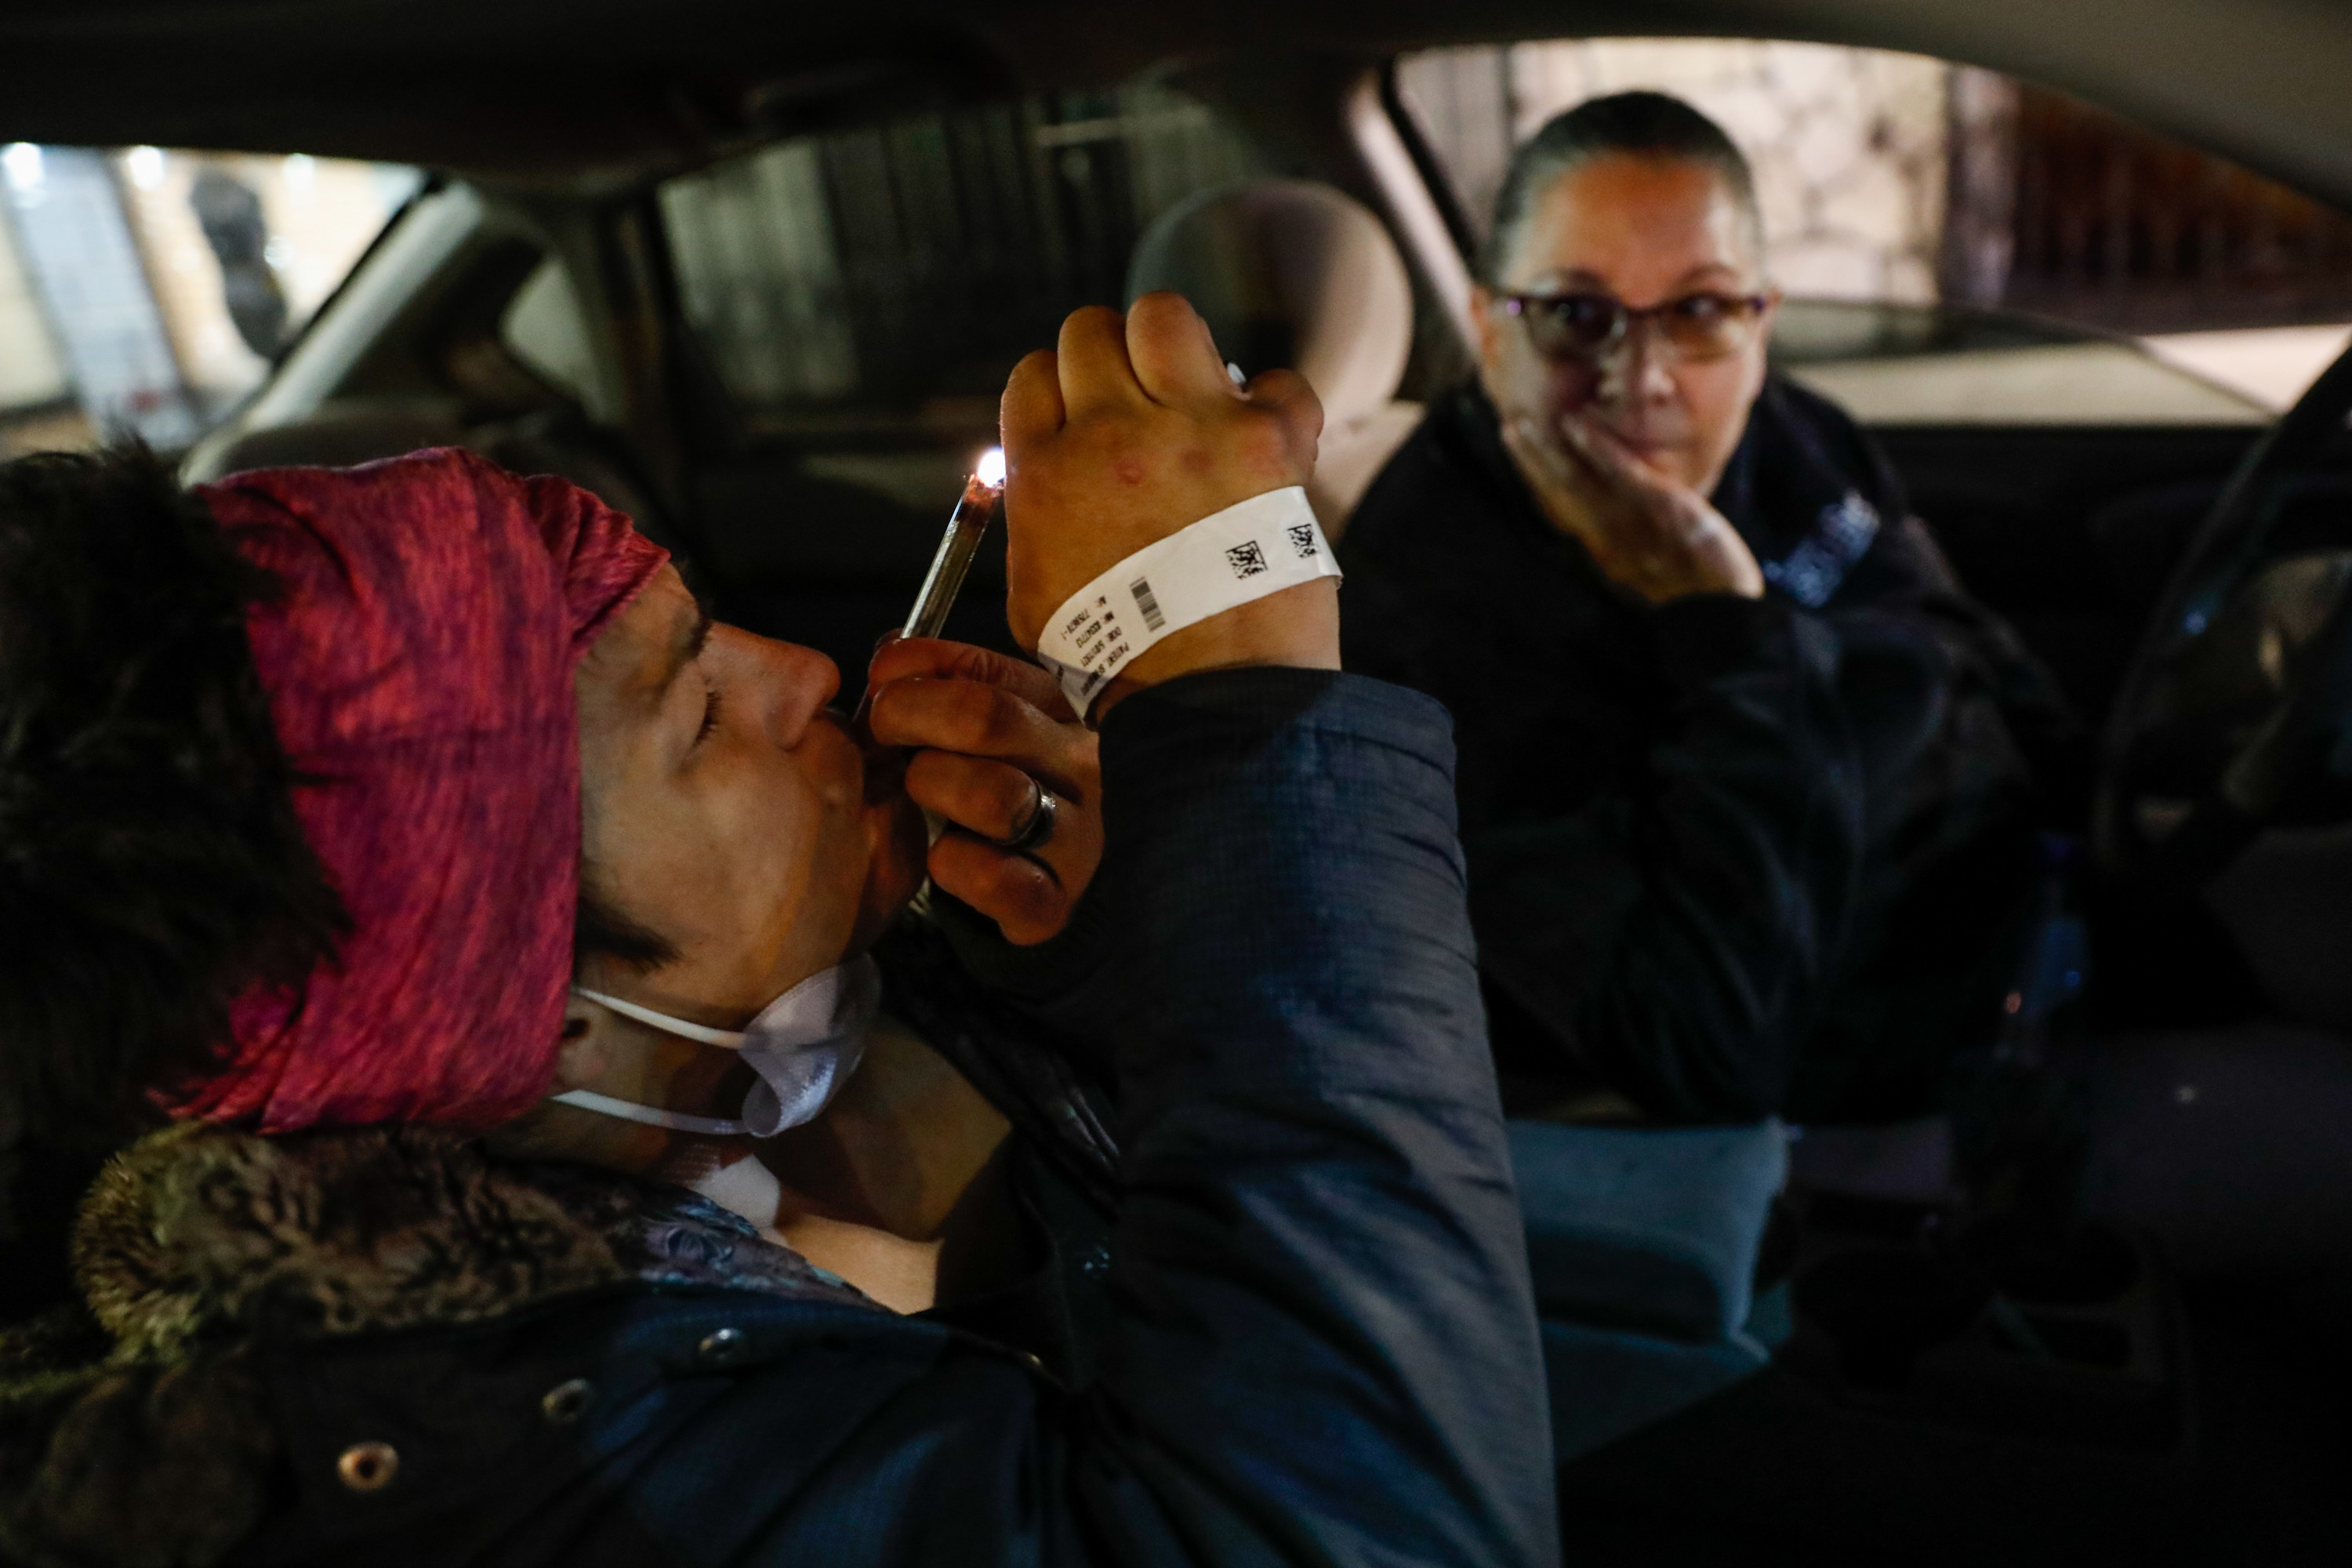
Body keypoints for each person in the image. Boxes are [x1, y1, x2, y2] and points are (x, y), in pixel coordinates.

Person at [0, 296, 1555, 1566]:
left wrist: (1081, 979)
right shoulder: (531, 1479)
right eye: (696, 716)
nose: (804, 678)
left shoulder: (498, 1321)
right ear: (516, 1021)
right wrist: (1250, 736)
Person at [1339, 93, 2073, 1125]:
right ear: (1485, 328)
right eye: (1575, 313)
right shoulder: (1425, 612)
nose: (1642, 382)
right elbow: (1704, 1044)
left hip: (2040, 935)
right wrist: (1721, 626)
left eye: (1700, 311)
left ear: (1761, 320)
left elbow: (1957, 642)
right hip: (1878, 1117)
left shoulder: (1792, 437)